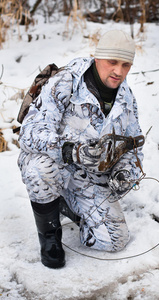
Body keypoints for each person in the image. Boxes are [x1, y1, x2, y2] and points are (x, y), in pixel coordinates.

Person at [18, 30, 144, 269]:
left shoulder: (127, 99)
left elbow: (133, 147)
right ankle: (49, 238)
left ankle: (66, 205)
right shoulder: (67, 81)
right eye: (112, 62)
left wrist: (127, 172)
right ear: (98, 58)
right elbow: (30, 133)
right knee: (39, 169)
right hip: (53, 164)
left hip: (88, 177)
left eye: (126, 64)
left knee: (114, 240)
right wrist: (71, 151)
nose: (119, 71)